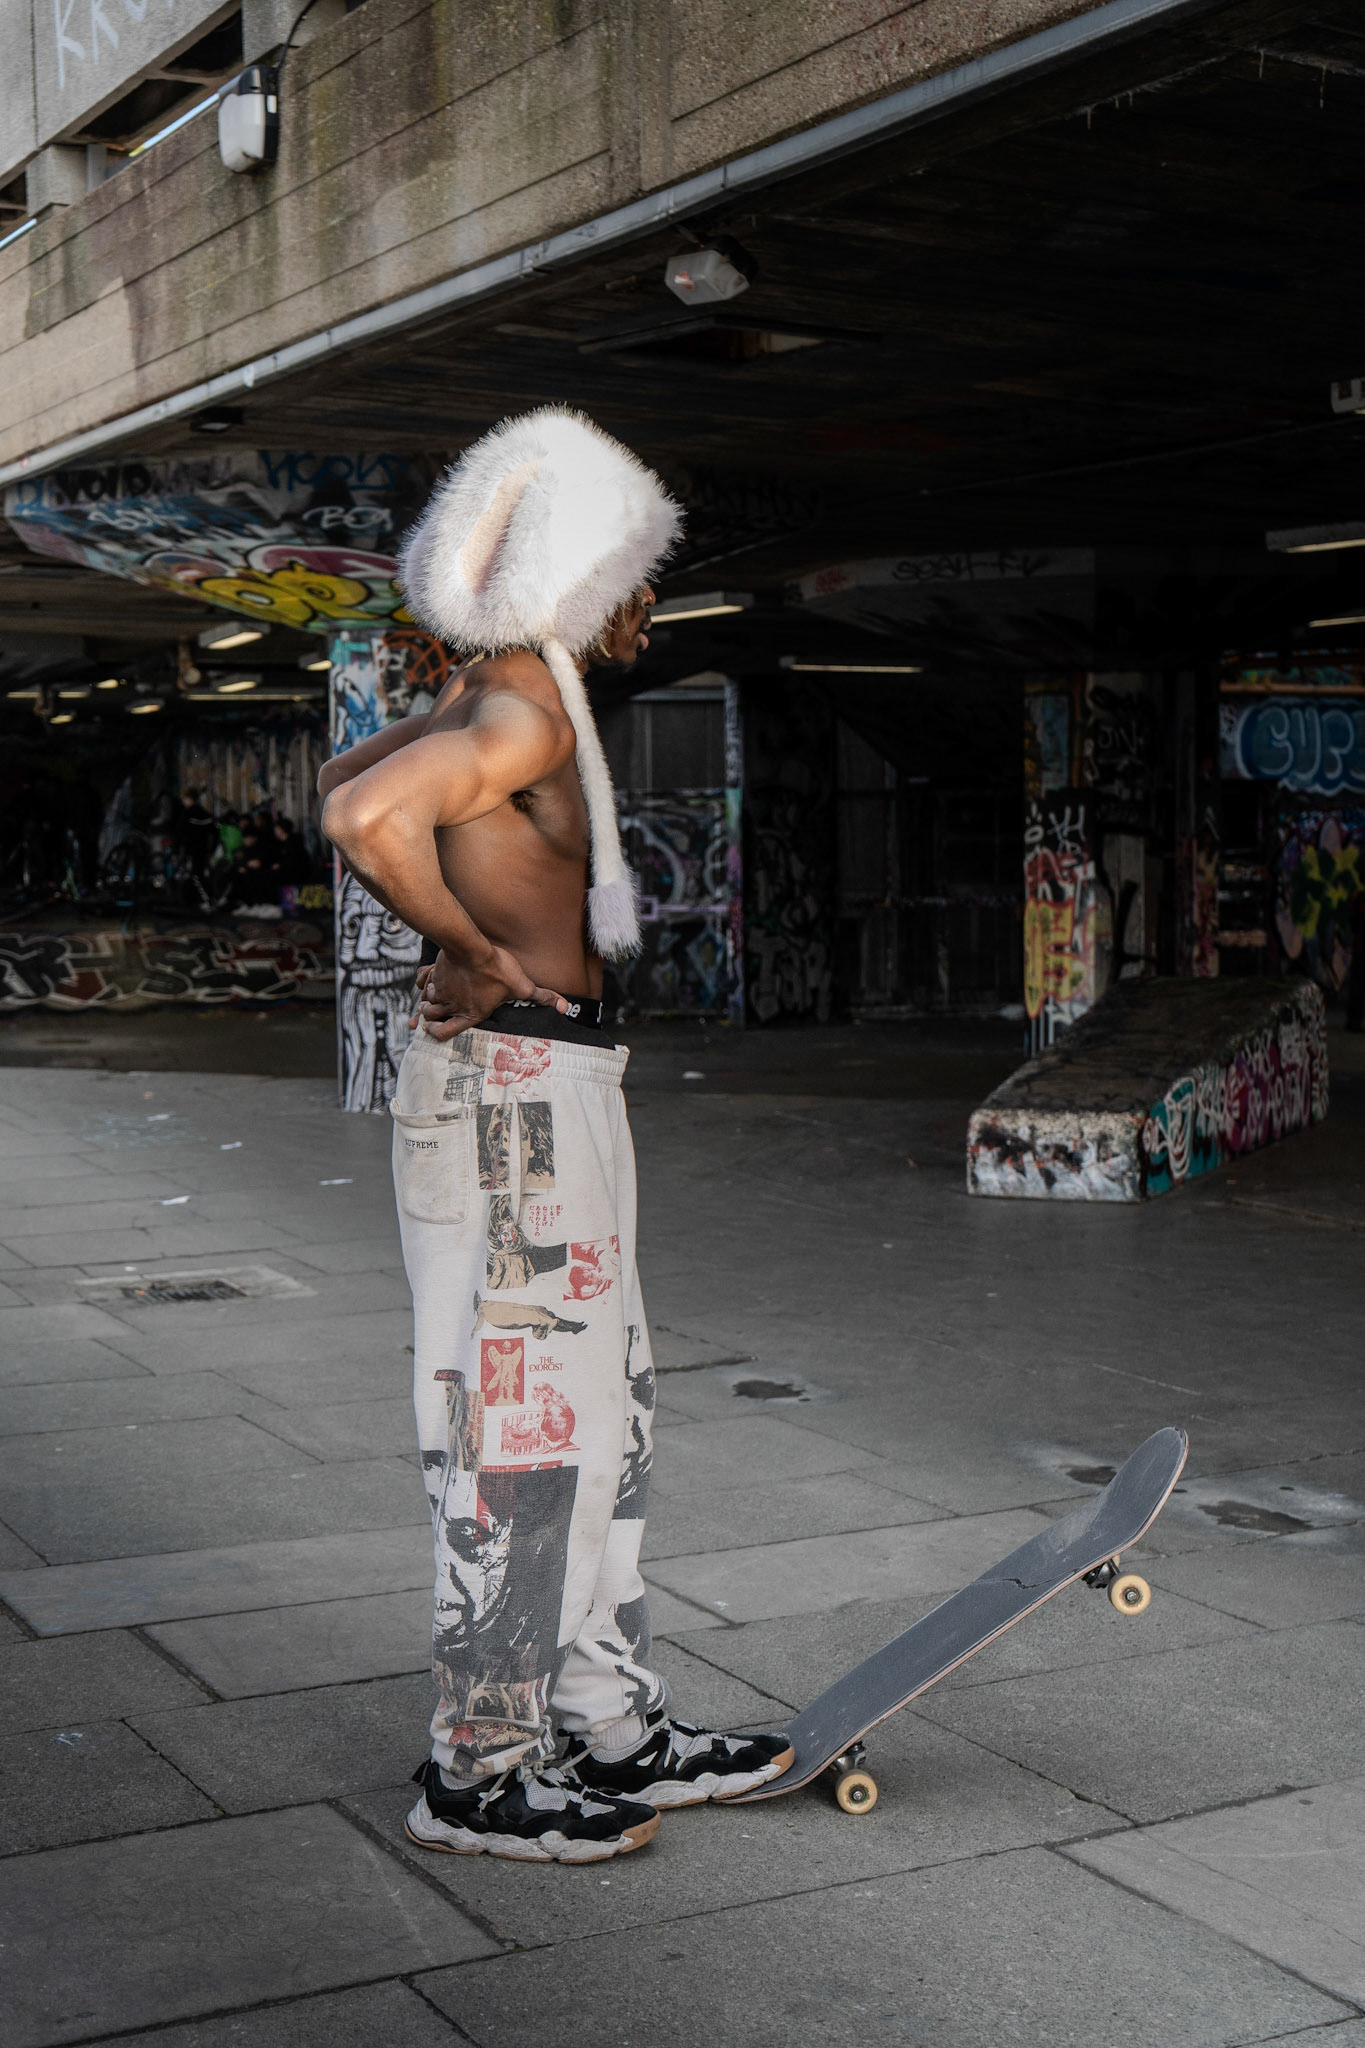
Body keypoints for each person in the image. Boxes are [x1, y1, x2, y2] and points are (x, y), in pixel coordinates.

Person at [320, 407, 791, 1865]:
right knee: (526, 1427)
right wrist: (462, 947)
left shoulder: (503, 696)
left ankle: (602, 1718)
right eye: (633, 572)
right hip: (517, 1088)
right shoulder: (522, 708)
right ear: (582, 576)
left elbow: (341, 785)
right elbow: (370, 822)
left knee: (602, 1416)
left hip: (550, 1087)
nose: (647, 600)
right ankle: (480, 1764)